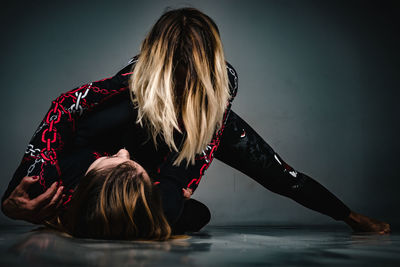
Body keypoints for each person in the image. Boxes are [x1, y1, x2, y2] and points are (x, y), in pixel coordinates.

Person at [1, 7, 390, 240]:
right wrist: (19, 195)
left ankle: (348, 214)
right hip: (111, 158)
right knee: (64, 187)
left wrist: (168, 190)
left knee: (263, 181)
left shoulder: (214, 104)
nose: (182, 86)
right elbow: (63, 109)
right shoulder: (127, 91)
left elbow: (273, 175)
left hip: (174, 151)